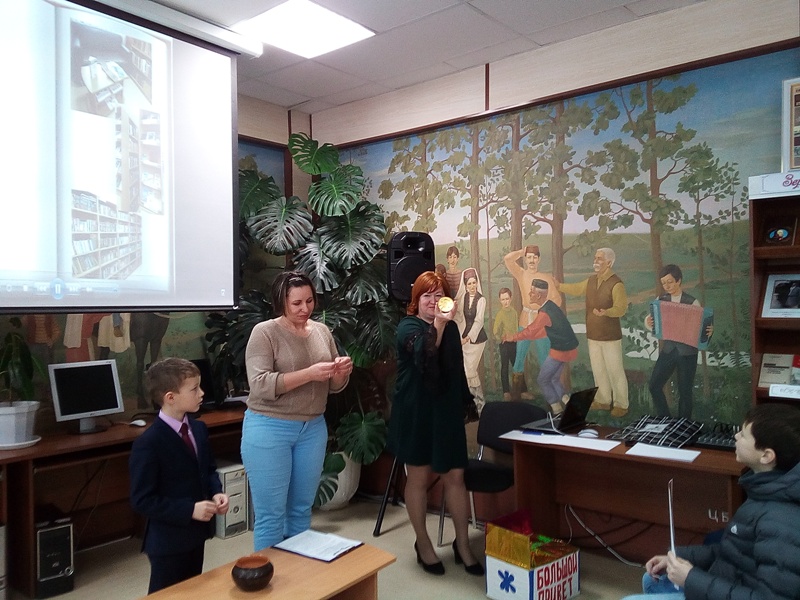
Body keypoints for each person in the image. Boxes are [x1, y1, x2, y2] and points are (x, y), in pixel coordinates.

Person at [622, 403, 800, 600]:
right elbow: (731, 553)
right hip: (728, 582)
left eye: (743, 435)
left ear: (766, 456)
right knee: (651, 579)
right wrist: (679, 557)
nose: (736, 437)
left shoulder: (781, 520)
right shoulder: (765, 489)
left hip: (732, 590)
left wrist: (690, 578)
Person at [241, 270, 352, 551]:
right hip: (269, 427)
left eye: (310, 301)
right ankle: (270, 575)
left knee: (302, 509)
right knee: (271, 516)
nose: (305, 309)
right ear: (281, 302)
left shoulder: (322, 331)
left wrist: (340, 373)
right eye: (297, 303)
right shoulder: (264, 332)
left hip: (312, 428)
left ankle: (297, 574)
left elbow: (334, 387)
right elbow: (260, 384)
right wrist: (309, 374)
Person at [387, 270, 484, 577]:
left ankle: (462, 544)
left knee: (455, 477)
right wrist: (440, 323)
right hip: (416, 413)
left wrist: (463, 406)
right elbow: (425, 355)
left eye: (438, 295)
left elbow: (455, 370)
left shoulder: (451, 329)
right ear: (416, 300)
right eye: (426, 296)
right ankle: (424, 543)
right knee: (417, 479)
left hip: (445, 412)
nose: (432, 301)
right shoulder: (408, 327)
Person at [129, 357, 230, 594]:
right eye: (194, 389)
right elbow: (142, 500)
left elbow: (208, 469)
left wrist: (216, 492)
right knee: (167, 595)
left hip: (197, 534)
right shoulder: (149, 443)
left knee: (192, 591)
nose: (202, 393)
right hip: (168, 542)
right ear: (170, 397)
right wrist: (189, 510)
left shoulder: (198, 429)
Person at [557, 247, 629, 417]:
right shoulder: (591, 280)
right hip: (593, 334)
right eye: (595, 258)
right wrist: (559, 286)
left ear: (609, 263)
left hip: (610, 336)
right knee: (598, 369)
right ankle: (603, 400)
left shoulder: (616, 284)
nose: (595, 261)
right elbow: (576, 289)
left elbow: (621, 308)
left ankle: (621, 404)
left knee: (615, 370)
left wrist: (607, 312)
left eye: (599, 259)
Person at [644, 265, 713, 419]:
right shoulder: (660, 300)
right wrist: (648, 322)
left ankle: (683, 424)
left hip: (688, 353)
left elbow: (702, 326)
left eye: (670, 282)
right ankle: (665, 419)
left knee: (685, 391)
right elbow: (653, 321)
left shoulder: (692, 301)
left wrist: (708, 330)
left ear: (678, 281)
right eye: (664, 283)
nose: (667, 286)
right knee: (654, 385)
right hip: (669, 349)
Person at [504, 280, 578, 414]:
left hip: (560, 351)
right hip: (569, 349)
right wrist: (530, 336)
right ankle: (568, 402)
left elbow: (531, 330)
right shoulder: (551, 306)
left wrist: (513, 337)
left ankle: (556, 408)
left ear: (538, 295)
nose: (529, 294)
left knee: (543, 380)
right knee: (554, 378)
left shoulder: (544, 313)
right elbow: (545, 330)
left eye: (531, 292)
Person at [503, 245, 561, 400]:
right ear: (525, 258)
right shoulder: (521, 274)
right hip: (525, 321)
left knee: (545, 359)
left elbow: (557, 300)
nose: (531, 260)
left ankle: (551, 398)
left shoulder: (546, 278)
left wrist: (546, 314)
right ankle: (516, 397)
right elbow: (507, 259)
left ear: (539, 259)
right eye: (529, 257)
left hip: (541, 324)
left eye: (534, 257)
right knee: (519, 359)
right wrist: (522, 251)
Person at [456, 267, 487, 413]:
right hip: (465, 339)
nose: (472, 286)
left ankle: (480, 404)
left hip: (477, 339)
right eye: (469, 283)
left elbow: (479, 321)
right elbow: (459, 316)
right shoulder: (464, 298)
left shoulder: (481, 300)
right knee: (466, 370)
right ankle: (471, 403)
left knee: (470, 370)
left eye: (474, 283)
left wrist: (468, 338)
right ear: (465, 285)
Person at [493, 288, 518, 400]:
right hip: (504, 345)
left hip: (514, 343)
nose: (505, 302)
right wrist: (500, 338)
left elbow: (516, 327)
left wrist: (516, 337)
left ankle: (521, 390)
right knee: (505, 367)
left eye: (507, 299)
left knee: (517, 366)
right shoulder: (500, 314)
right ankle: (506, 392)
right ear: (500, 300)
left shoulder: (514, 312)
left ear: (511, 299)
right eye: (503, 299)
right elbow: (495, 330)